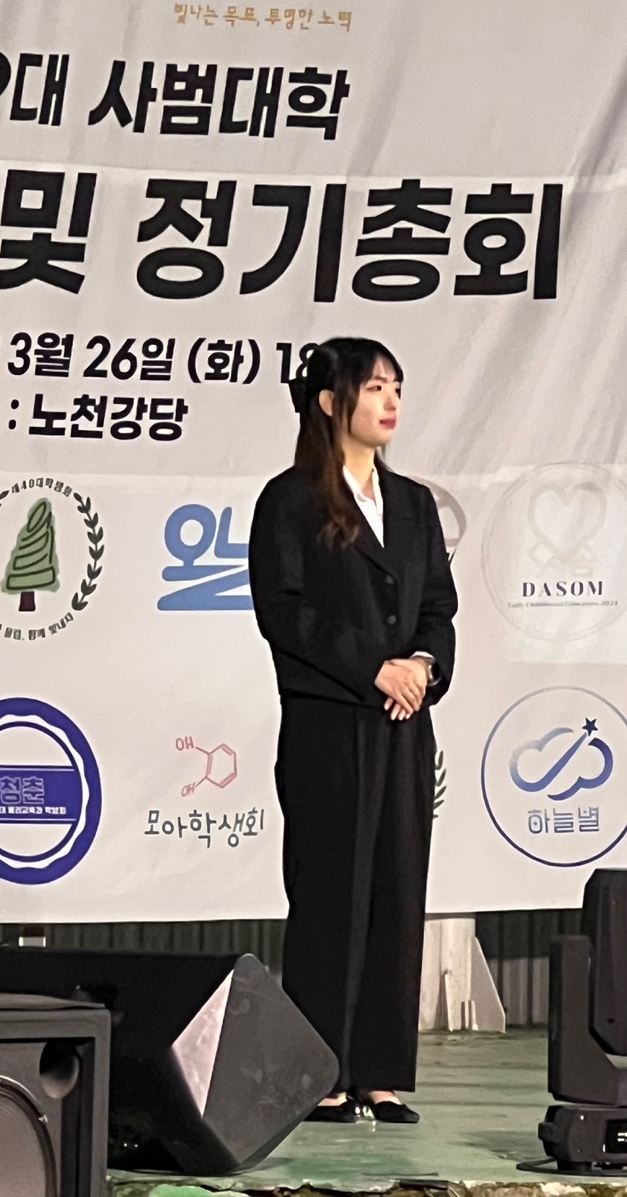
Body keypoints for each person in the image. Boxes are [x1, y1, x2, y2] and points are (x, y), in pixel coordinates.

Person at [248, 337, 458, 1125]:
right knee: (331, 893)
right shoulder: (291, 500)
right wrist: (374, 668)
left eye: (396, 386)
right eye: (374, 387)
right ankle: (324, 1075)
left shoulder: (414, 504)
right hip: (330, 724)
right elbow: (284, 611)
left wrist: (424, 667)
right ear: (331, 402)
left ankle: (380, 1072)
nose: (391, 401)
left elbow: (438, 606)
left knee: (397, 893)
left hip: (404, 724)